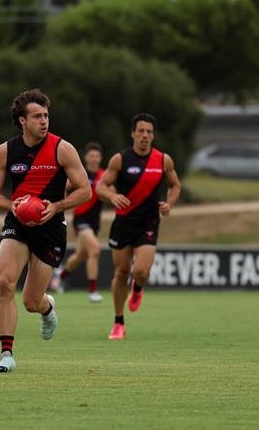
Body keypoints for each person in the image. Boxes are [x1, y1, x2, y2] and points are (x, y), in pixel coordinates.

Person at [0, 88, 91, 373]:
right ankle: (6, 354)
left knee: (31, 301)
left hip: (51, 228)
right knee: (6, 282)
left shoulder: (62, 149)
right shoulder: (5, 151)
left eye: (46, 115)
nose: (44, 121)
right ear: (22, 120)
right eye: (37, 116)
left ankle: (47, 308)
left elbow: (86, 191)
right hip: (17, 225)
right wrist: (13, 206)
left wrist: (56, 207)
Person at [96, 113, 181, 340]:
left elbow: (175, 185)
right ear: (133, 133)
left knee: (141, 271)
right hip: (123, 223)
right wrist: (112, 197)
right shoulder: (120, 159)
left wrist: (169, 204)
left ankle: (139, 288)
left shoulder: (163, 160)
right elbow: (101, 187)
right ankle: (118, 322)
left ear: (153, 135)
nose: (145, 135)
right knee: (121, 272)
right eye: (141, 131)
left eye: (149, 132)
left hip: (149, 223)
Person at [51, 142, 106, 303]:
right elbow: (63, 186)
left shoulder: (104, 175)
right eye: (91, 156)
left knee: (81, 256)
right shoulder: (81, 175)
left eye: (97, 156)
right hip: (81, 220)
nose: (94, 159)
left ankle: (60, 275)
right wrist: (61, 204)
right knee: (95, 250)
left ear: (100, 158)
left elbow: (110, 192)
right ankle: (93, 291)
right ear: (86, 158)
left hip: (95, 223)